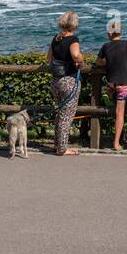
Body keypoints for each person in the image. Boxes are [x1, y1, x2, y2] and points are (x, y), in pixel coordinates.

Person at [95, 17, 127, 151]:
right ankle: (116, 143)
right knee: (120, 113)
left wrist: (107, 62)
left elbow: (98, 62)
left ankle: (108, 96)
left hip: (111, 82)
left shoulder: (105, 46)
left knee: (110, 94)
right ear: (120, 32)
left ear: (109, 33)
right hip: (123, 83)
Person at [48, 11, 84, 156]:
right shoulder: (73, 39)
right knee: (67, 116)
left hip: (55, 81)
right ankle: (62, 149)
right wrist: (80, 61)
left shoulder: (56, 39)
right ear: (74, 24)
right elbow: (75, 55)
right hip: (69, 80)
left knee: (59, 113)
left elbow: (48, 58)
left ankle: (57, 144)